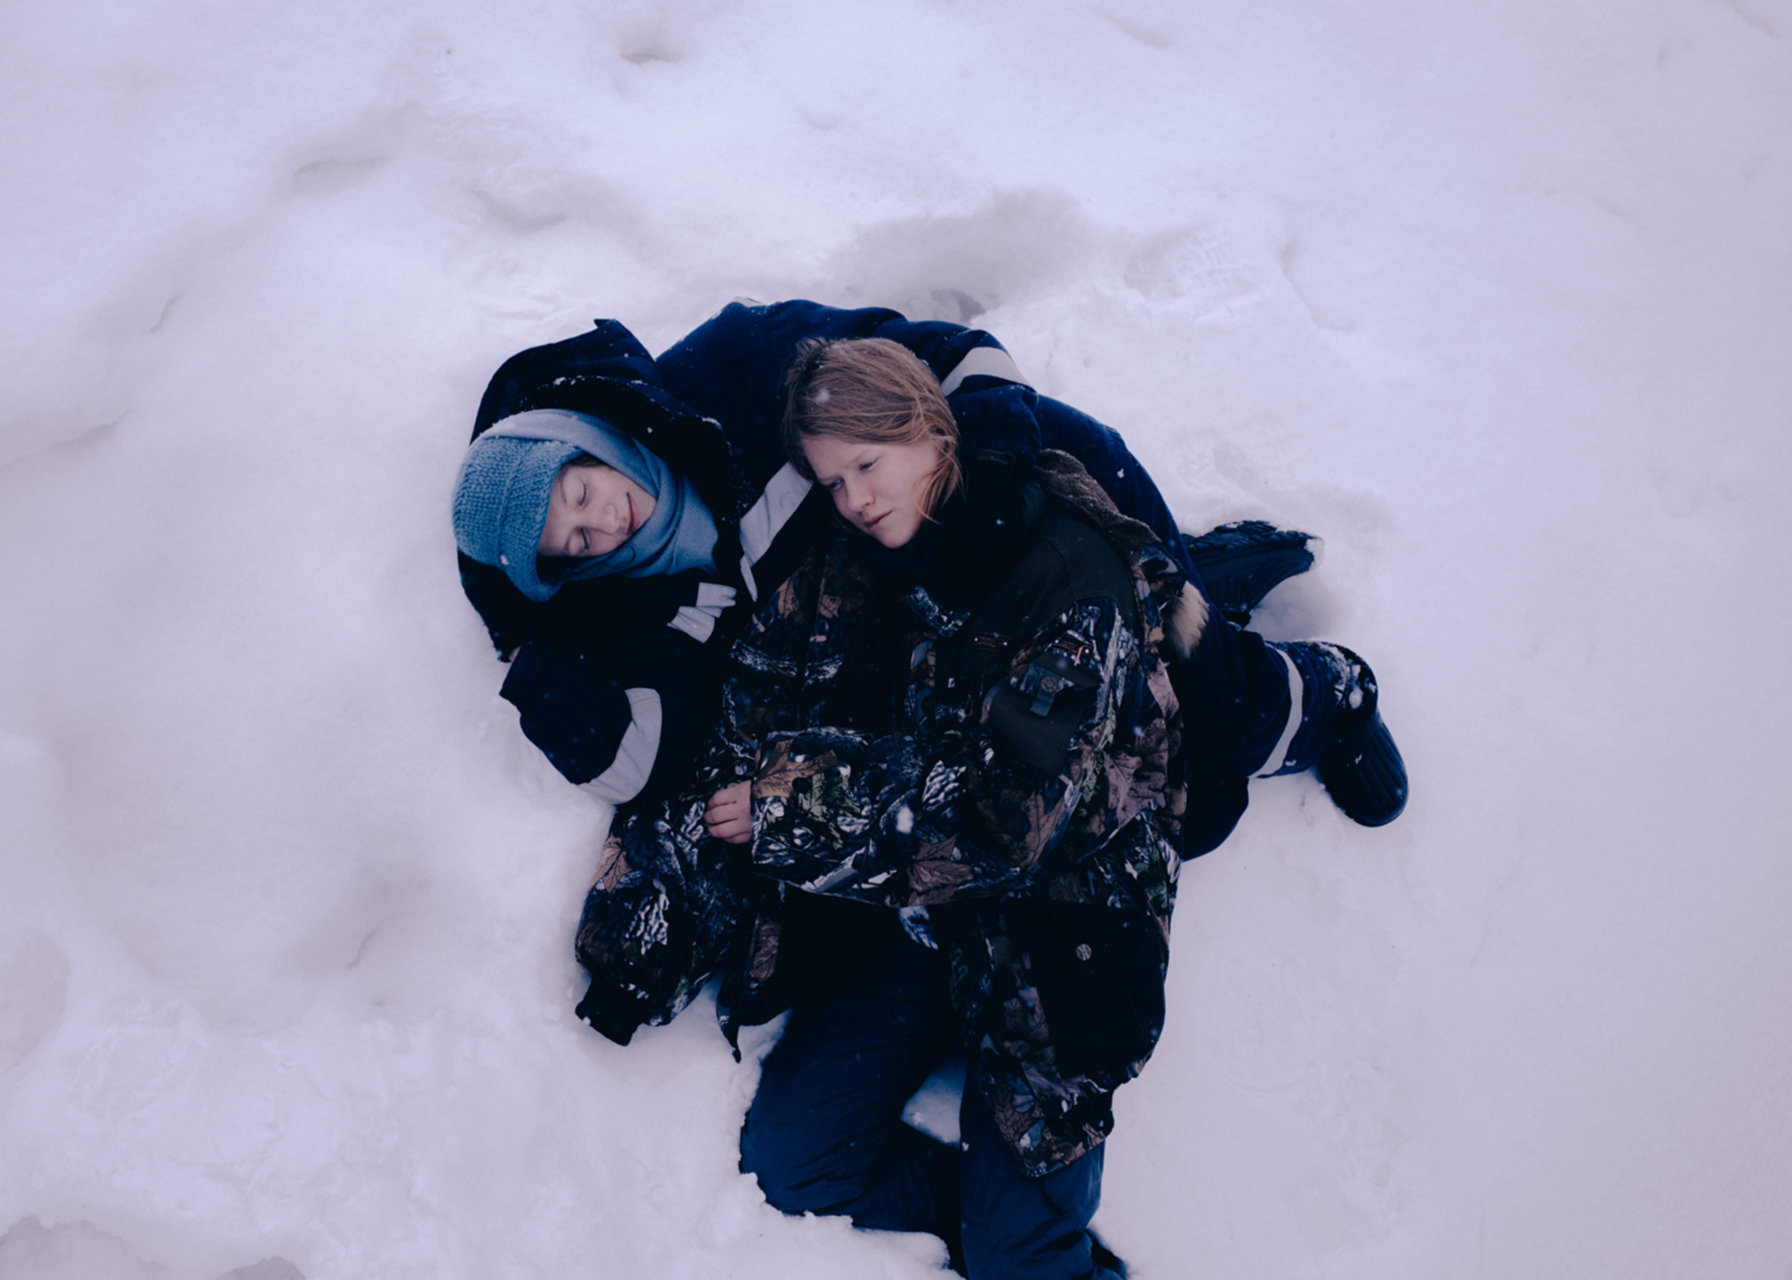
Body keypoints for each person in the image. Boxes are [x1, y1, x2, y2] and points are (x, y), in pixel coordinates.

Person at [600, 336, 1188, 1276]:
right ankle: (1000, 1227)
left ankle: (1031, 1247)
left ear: (930, 431)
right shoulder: (851, 561)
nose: (855, 500)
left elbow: (1002, 826)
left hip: (1059, 932)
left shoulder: (1071, 578)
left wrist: (795, 808)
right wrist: (644, 907)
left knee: (1022, 1260)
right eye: (832, 483)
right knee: (794, 1161)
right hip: (922, 923)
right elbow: (751, 701)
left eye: (868, 466)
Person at [452, 301, 1404, 851]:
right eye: (570, 543)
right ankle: (1209, 575)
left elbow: (958, 354)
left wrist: (989, 483)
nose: (599, 521)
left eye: (578, 491)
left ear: (583, 441)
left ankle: (1332, 692)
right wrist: (564, 707)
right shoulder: (641, 601)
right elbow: (653, 757)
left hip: (1032, 489)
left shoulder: (728, 374)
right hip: (937, 582)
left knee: (1219, 714)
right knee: (1130, 757)